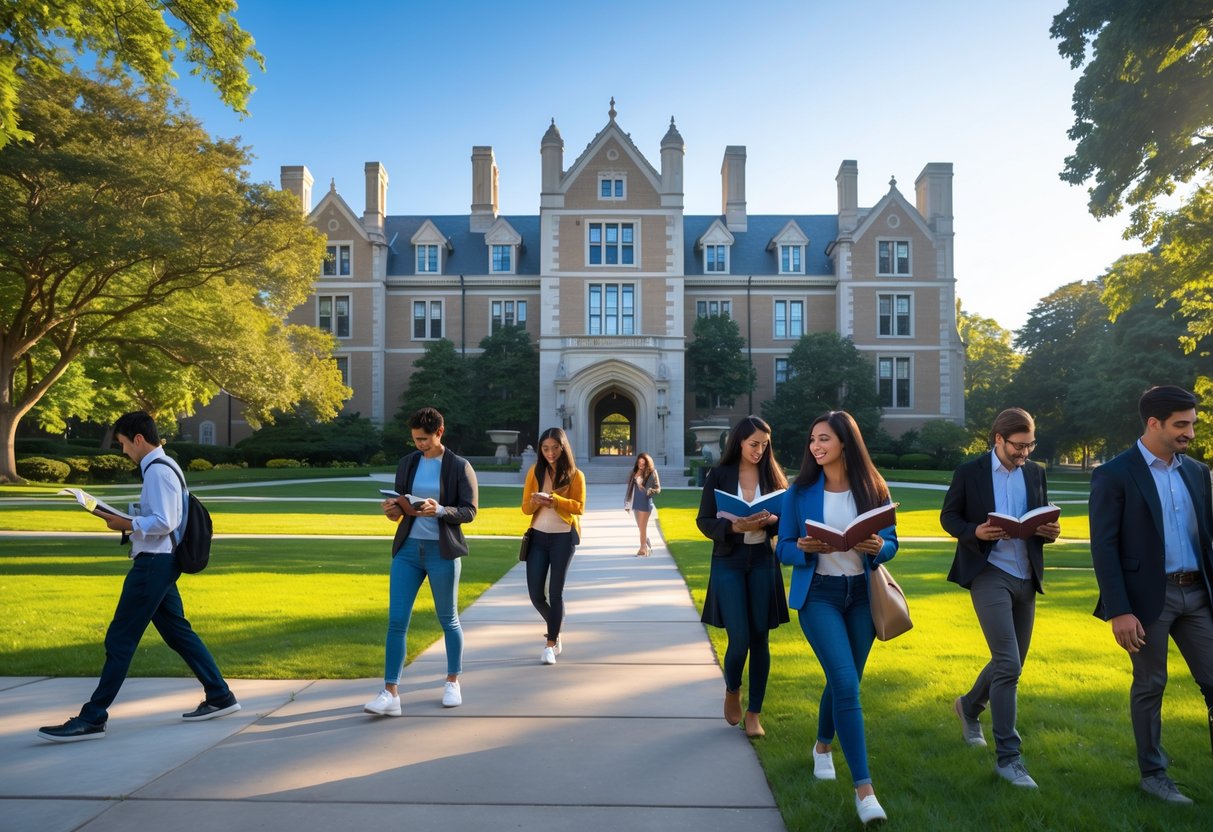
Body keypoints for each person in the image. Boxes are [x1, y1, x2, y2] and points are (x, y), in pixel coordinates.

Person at [38, 411, 239, 742]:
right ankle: (219, 695)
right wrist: (125, 516)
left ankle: (92, 717)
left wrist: (127, 524)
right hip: (161, 562)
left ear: (139, 439)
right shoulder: (163, 466)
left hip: (153, 565)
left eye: (123, 444)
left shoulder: (158, 472)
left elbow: (166, 521)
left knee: (120, 639)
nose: (123, 451)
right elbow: (162, 516)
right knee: (178, 632)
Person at [1089, 385, 1213, 805]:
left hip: (1198, 595)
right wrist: (1119, 611)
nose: (1190, 434)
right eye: (1182, 425)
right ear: (1153, 423)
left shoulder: (1196, 472)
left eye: (1193, 424)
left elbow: (1208, 540)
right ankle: (1153, 775)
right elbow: (1103, 547)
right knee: (1151, 684)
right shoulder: (1114, 474)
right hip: (1145, 603)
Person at [776, 411, 897, 826]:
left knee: (844, 681)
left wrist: (879, 546)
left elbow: (892, 542)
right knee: (846, 683)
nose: (815, 446)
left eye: (824, 438)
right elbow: (783, 548)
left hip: (863, 598)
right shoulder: (800, 491)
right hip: (820, 597)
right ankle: (865, 791)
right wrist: (805, 548)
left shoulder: (874, 488)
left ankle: (822, 745)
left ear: (845, 441)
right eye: (812, 440)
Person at [939, 407, 1060, 789]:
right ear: (998, 440)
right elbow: (949, 518)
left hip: (1027, 574)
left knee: (1011, 663)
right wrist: (976, 531)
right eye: (1018, 446)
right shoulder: (969, 472)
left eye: (1030, 445)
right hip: (989, 573)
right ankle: (1009, 758)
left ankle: (969, 706)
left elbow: (1040, 519)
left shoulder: (1036, 472)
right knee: (1008, 663)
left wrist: (1048, 530)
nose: (1024, 453)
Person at [364, 407, 478, 716]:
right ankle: (390, 693)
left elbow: (469, 511)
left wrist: (440, 510)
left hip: (442, 551)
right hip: (408, 552)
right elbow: (402, 506)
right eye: (415, 439)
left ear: (440, 433)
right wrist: (392, 510)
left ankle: (452, 681)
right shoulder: (407, 464)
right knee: (397, 621)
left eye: (424, 439)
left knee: (448, 619)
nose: (419, 445)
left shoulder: (459, 466)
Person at [697, 415, 789, 740]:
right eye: (754, 444)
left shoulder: (774, 476)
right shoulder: (719, 475)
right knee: (740, 639)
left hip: (763, 562)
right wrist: (734, 527)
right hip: (729, 562)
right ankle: (732, 689)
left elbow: (789, 524)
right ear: (739, 441)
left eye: (765, 445)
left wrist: (775, 520)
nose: (760, 451)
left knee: (761, 638)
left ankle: (755, 714)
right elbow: (704, 520)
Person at [521, 426, 585, 665]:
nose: (550, 453)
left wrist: (554, 500)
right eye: (545, 448)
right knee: (536, 595)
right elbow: (525, 508)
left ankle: (550, 643)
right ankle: (556, 623)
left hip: (562, 538)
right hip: (537, 538)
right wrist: (536, 502)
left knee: (555, 593)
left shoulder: (576, 475)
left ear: (563, 447)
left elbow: (579, 506)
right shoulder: (534, 472)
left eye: (555, 448)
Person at [624, 452, 661, 556]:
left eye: (643, 463)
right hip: (635, 502)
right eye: (639, 463)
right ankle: (646, 541)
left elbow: (658, 488)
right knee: (641, 527)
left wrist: (650, 491)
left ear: (647, 463)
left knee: (643, 527)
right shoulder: (635, 472)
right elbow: (630, 487)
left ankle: (643, 549)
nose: (641, 465)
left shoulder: (652, 472)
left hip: (645, 502)